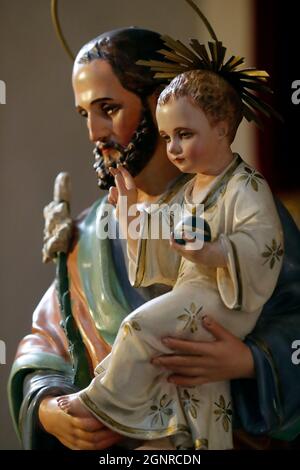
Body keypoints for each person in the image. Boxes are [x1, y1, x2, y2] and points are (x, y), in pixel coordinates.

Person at [7, 27, 300, 450]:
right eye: (84, 114)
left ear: (159, 102)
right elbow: (49, 341)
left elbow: (293, 318)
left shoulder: (243, 200)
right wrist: (48, 408)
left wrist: (251, 361)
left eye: (108, 109)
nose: (94, 132)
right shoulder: (89, 233)